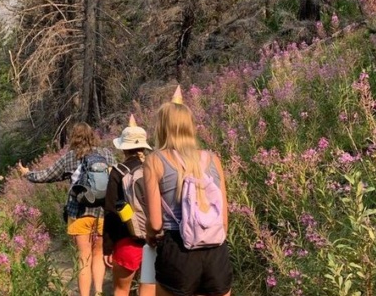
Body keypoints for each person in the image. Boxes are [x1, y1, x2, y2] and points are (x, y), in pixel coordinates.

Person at [143, 86, 233, 296]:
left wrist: (150, 236)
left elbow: (156, 223)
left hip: (177, 252)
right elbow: (224, 221)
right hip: (215, 251)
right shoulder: (212, 159)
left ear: (162, 127)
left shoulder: (155, 160)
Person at [18, 122, 115, 296]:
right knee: (98, 254)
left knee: (83, 256)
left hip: (79, 213)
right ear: (92, 135)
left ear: (74, 138)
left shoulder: (71, 157)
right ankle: (99, 292)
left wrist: (27, 174)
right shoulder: (106, 154)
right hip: (103, 212)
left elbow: (46, 175)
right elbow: (117, 178)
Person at [103, 114, 156, 296]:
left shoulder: (118, 172)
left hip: (127, 241)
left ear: (124, 149)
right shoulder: (154, 167)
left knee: (120, 290)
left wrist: (108, 248)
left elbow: (110, 212)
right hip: (154, 240)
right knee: (148, 290)